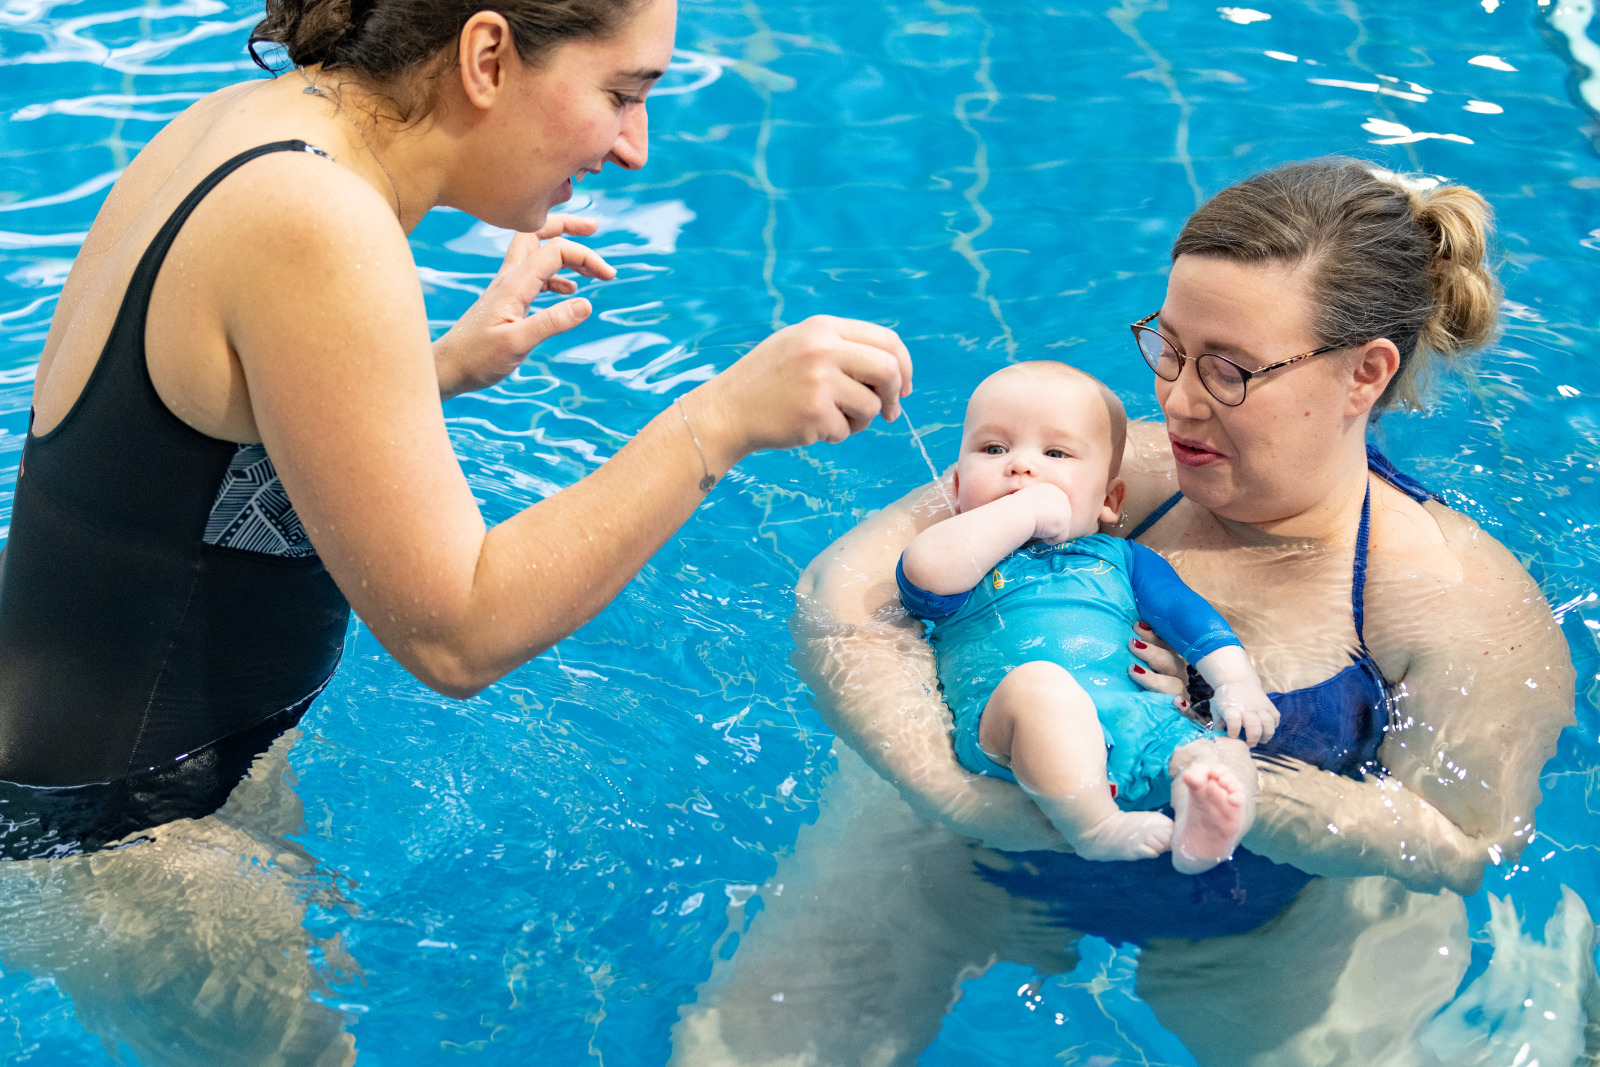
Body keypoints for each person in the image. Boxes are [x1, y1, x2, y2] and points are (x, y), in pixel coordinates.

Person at [672, 160, 1576, 1066]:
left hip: (1250, 937)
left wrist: (1250, 789)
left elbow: (1466, 846)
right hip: (962, 853)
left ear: (1364, 375)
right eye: (1169, 349)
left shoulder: (1456, 603)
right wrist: (952, 792)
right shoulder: (1116, 477)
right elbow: (842, 596)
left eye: (1228, 369)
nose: (1176, 401)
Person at [0, 0, 911, 859]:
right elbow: (458, 634)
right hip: (136, 837)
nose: (634, 147)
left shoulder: (246, 127)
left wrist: (430, 371)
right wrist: (719, 420)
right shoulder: (319, 220)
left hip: (85, 781)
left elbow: (176, 455)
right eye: (623, 94)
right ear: (486, 58)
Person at [896, 361, 1279, 871]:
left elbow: (1189, 617)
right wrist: (1024, 514)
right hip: (1014, 735)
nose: (1021, 467)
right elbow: (923, 574)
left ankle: (1204, 827)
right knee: (1042, 687)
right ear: (958, 486)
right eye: (994, 449)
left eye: (1055, 453)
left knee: (1221, 756)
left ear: (1108, 500)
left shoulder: (1124, 559)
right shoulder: (964, 558)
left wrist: (1236, 683)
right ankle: (1096, 826)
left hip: (1140, 720)